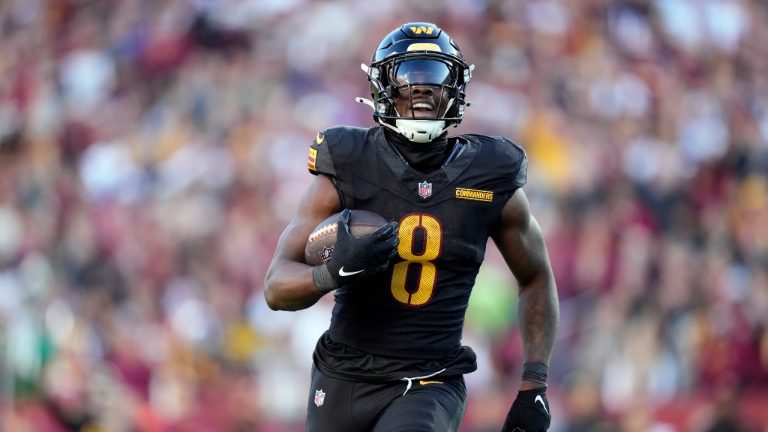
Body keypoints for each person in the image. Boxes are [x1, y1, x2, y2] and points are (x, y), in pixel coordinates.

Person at [265, 22, 559, 432]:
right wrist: (332, 272)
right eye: (407, 78)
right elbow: (276, 287)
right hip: (344, 376)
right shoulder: (348, 161)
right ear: (381, 87)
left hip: (430, 380)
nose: (421, 89)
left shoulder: (491, 173)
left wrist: (534, 384)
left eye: (435, 77)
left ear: (456, 89)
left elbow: (536, 276)